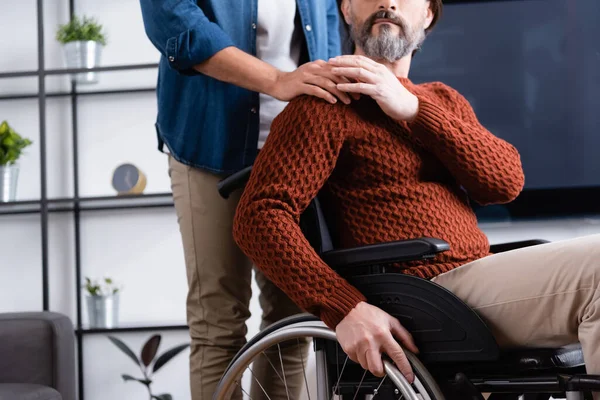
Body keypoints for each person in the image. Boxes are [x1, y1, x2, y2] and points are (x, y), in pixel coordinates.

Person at [232, 0, 600, 397]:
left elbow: (504, 182)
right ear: (346, 11)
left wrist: (414, 110)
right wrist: (343, 307)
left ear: (428, 15)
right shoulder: (324, 102)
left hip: (477, 277)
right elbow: (258, 216)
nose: (388, 2)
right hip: (421, 293)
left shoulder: (441, 100)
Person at [137, 1, 351, 399]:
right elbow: (175, 24)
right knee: (218, 323)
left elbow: (325, 31)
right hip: (210, 143)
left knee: (293, 322)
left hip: (296, 153)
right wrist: (277, 79)